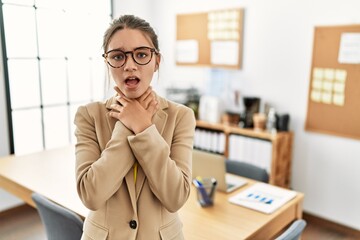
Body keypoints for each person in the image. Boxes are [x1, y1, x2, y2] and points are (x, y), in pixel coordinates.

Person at [74, 15, 196, 240]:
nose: (129, 66)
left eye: (141, 54)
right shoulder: (89, 116)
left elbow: (176, 196)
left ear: (156, 60)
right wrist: (127, 125)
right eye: (118, 56)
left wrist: (144, 128)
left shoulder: (181, 117)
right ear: (107, 63)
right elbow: (91, 195)